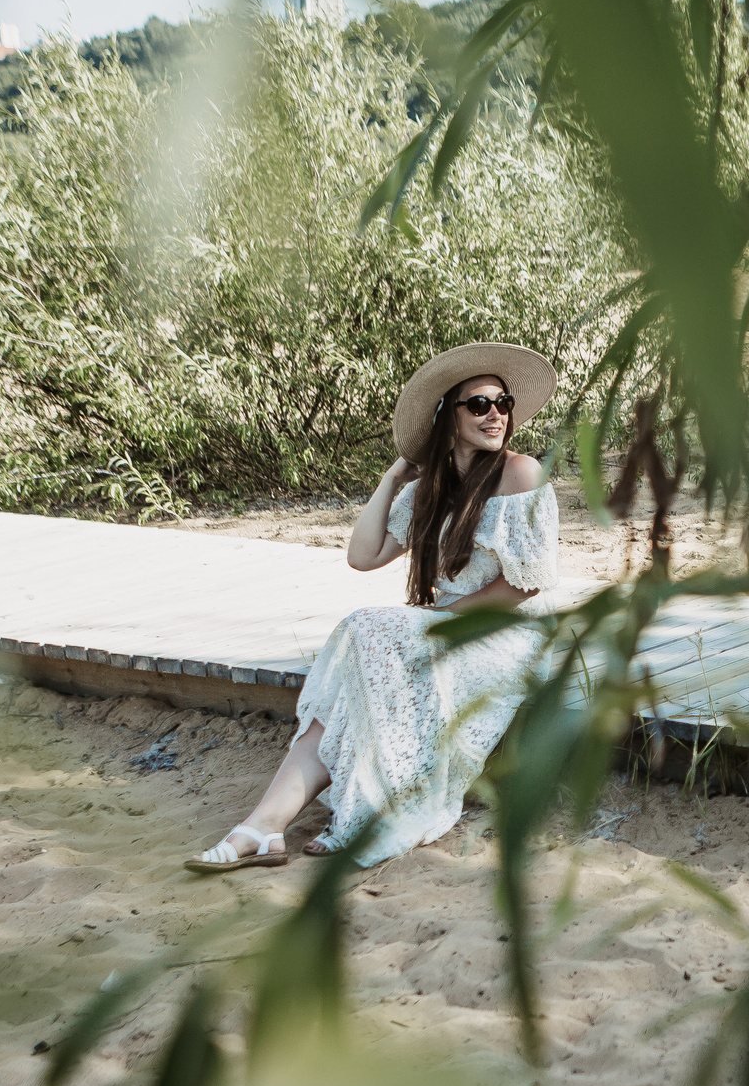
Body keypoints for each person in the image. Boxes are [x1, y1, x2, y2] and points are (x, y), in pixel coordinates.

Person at [186, 342, 561, 871]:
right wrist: (393, 478)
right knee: (349, 684)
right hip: (442, 628)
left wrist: (438, 625)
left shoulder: (520, 473)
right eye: (478, 404)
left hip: (502, 635)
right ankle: (264, 826)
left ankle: (358, 815)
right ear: (446, 417)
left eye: (503, 402)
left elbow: (525, 585)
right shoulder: (432, 487)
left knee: (367, 629)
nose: (495, 414)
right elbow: (364, 556)